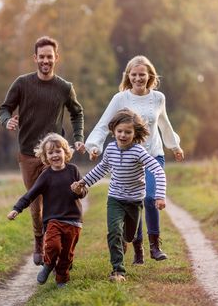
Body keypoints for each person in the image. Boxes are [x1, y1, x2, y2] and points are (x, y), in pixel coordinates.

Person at [84, 55, 183, 265]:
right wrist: (94, 146)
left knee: (150, 197)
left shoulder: (158, 98)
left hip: (153, 154)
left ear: (149, 76)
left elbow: (164, 124)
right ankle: (138, 249)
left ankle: (155, 245)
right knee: (134, 200)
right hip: (130, 157)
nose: (138, 78)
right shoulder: (120, 98)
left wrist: (174, 146)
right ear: (128, 75)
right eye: (134, 74)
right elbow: (104, 123)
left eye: (142, 74)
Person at [0, 36, 85, 266]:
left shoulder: (64, 87)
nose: (45, 60)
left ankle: (53, 242)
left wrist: (78, 138)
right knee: (35, 202)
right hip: (28, 153)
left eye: (50, 56)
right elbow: (4, 108)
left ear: (56, 58)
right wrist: (7, 120)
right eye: (42, 57)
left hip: (54, 154)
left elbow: (77, 113)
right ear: (35, 58)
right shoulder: (22, 83)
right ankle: (39, 239)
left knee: (56, 199)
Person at [71, 109, 166, 282]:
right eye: (120, 131)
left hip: (135, 200)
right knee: (114, 232)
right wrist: (83, 182)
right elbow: (102, 169)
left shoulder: (139, 151)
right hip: (115, 198)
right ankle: (118, 271)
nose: (123, 135)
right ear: (113, 130)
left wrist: (159, 196)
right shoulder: (110, 148)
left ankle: (130, 244)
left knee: (128, 236)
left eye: (128, 132)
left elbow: (158, 171)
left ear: (135, 133)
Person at [7, 133, 87, 287]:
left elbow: (84, 191)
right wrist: (17, 209)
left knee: (66, 255)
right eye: (50, 153)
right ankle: (49, 265)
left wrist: (79, 191)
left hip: (74, 221)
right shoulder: (46, 176)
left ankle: (61, 280)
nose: (55, 155)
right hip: (53, 220)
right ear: (45, 156)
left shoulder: (73, 170)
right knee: (52, 246)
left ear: (65, 152)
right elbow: (31, 194)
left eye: (58, 151)